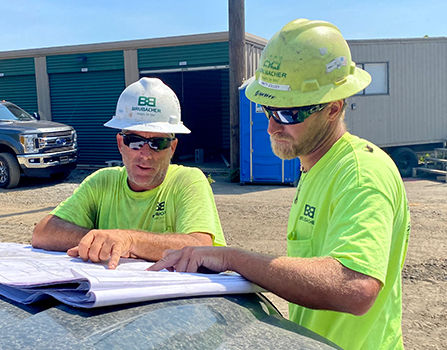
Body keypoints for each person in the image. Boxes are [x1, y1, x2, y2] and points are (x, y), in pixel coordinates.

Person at [149, 19, 410, 350]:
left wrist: (232, 258)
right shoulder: (316, 168)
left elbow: (355, 287)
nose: (271, 127)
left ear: (333, 108)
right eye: (267, 108)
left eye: (288, 114)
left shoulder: (361, 172)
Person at [32, 77, 226, 270]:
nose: (145, 154)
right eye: (134, 141)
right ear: (120, 144)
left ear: (172, 148)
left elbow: (201, 246)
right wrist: (103, 240)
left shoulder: (188, 181)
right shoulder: (102, 182)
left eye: (158, 143)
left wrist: (129, 240)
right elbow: (43, 232)